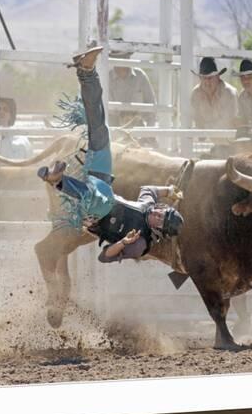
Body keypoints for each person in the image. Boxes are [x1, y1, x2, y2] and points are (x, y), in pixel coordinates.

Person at [38, 46, 184, 263]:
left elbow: (104, 257)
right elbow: (148, 189)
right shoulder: (147, 205)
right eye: (162, 212)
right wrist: (169, 190)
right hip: (103, 183)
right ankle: (87, 73)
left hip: (96, 216)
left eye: (161, 220)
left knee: (101, 201)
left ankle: (58, 181)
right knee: (100, 129)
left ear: (159, 230)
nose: (158, 215)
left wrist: (122, 243)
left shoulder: (141, 243)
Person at [108, 48, 157, 128]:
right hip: (114, 130)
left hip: (138, 129)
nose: (123, 61)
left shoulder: (140, 76)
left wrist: (149, 133)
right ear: (114, 60)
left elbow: (151, 103)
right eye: (120, 58)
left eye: (125, 57)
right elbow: (109, 111)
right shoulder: (107, 79)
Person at [190, 57, 238, 129]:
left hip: (227, 138)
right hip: (203, 138)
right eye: (203, 78)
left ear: (218, 77)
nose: (207, 82)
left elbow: (227, 121)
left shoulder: (229, 93)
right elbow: (196, 119)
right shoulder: (195, 93)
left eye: (210, 78)